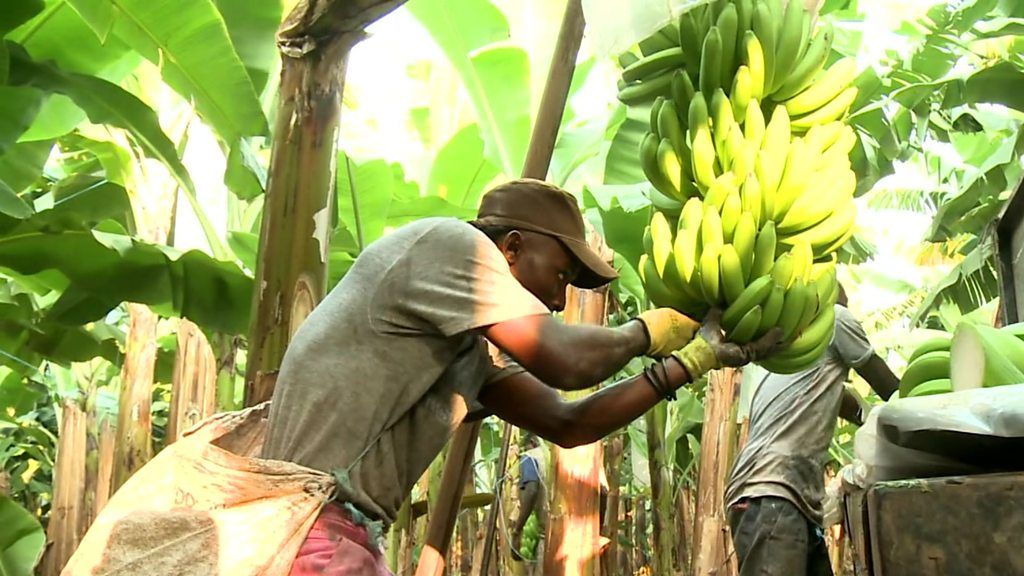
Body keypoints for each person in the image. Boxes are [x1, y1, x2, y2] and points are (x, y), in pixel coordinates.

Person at [260, 178, 781, 575]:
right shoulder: (447, 246)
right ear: (509, 247)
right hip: (309, 529)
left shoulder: (462, 351)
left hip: (337, 534)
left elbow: (567, 421)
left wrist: (691, 363)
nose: (559, 300)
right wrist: (650, 330)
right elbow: (568, 362)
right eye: (560, 275)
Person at [725, 285, 899, 576]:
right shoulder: (835, 319)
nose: (848, 302)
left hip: (782, 496)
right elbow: (891, 390)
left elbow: (842, 400)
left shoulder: (791, 354)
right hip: (774, 492)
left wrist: (867, 420)